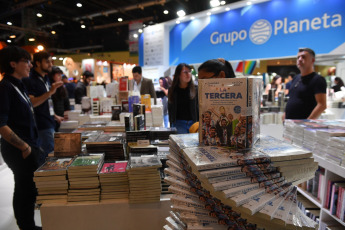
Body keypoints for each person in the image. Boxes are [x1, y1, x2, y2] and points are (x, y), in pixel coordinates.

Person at [0, 46, 43, 230]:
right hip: (18, 149)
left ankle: (28, 225)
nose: (30, 65)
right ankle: (26, 226)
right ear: (13, 64)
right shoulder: (4, 88)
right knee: (24, 189)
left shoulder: (19, 85)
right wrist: (24, 147)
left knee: (29, 188)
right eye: (26, 61)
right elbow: (2, 125)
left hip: (29, 144)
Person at [22, 51, 63, 166]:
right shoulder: (30, 79)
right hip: (40, 125)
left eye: (51, 61)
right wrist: (50, 92)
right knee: (48, 160)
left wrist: (54, 115)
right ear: (38, 63)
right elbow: (32, 103)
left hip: (49, 121)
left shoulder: (45, 78)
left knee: (51, 156)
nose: (50, 64)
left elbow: (46, 101)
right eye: (47, 62)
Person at [285, 48, 327, 119]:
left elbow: (322, 105)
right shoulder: (296, 78)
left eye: (303, 57)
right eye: (298, 57)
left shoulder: (318, 79)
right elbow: (291, 99)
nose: (300, 59)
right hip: (289, 123)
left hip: (303, 126)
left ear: (312, 60)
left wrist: (307, 122)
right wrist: (284, 115)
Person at [168, 63, 198, 134]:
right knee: (181, 144)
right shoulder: (172, 90)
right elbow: (170, 108)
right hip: (179, 124)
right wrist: (171, 124)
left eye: (189, 72)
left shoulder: (196, 89)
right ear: (178, 75)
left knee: (194, 144)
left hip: (194, 123)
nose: (188, 74)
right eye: (185, 72)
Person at [48, 66, 71, 131]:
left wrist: (67, 113)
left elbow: (66, 103)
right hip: (52, 120)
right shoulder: (48, 88)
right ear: (52, 76)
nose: (60, 77)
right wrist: (55, 116)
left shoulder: (62, 88)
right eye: (58, 75)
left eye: (61, 75)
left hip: (62, 119)